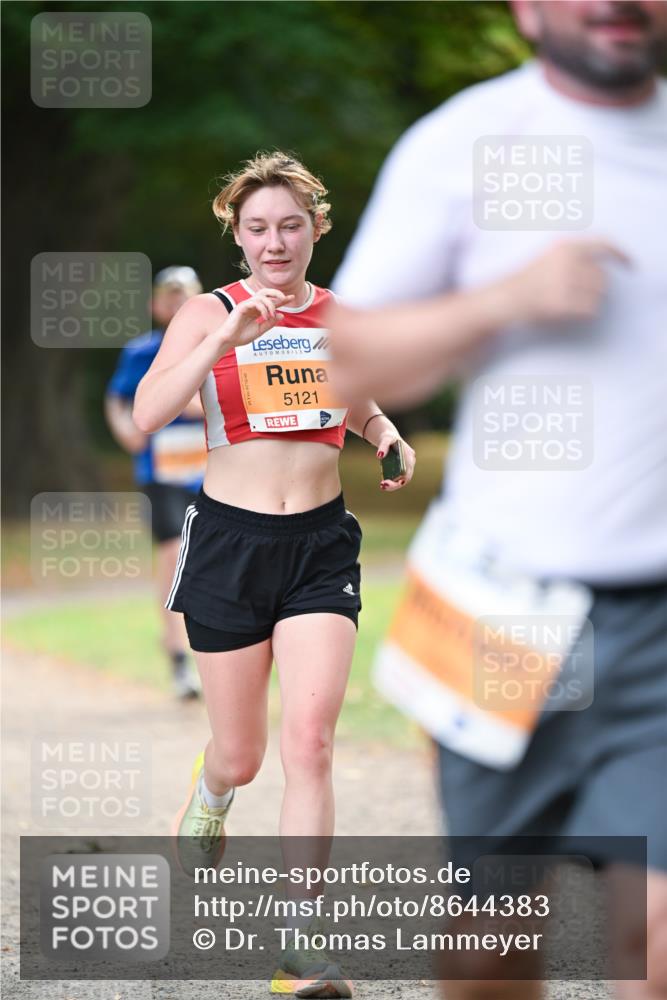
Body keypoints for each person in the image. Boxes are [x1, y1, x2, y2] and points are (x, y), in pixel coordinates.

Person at [329, 2, 667, 998]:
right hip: (499, 608)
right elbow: (338, 360)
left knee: (653, 935)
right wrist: (505, 301)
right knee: (492, 942)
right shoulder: (464, 144)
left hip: (659, 614)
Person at [132, 151, 415, 998]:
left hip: (320, 548)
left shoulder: (342, 316)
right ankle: (214, 788)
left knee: (312, 742)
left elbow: (353, 394)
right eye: (257, 227)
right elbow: (148, 414)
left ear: (314, 229)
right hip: (228, 544)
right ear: (238, 234)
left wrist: (383, 433)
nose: (275, 240)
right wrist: (222, 338)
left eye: (290, 224)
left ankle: (300, 948)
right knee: (245, 753)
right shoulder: (207, 314)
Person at [105, 266, 206, 699]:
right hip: (160, 471)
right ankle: (178, 656)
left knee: (209, 560)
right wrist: (126, 427)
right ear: (155, 305)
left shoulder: (216, 345)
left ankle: (213, 659)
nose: (177, 304)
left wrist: (183, 403)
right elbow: (117, 398)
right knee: (172, 553)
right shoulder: (141, 351)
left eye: (185, 296)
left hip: (211, 471)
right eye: (169, 297)